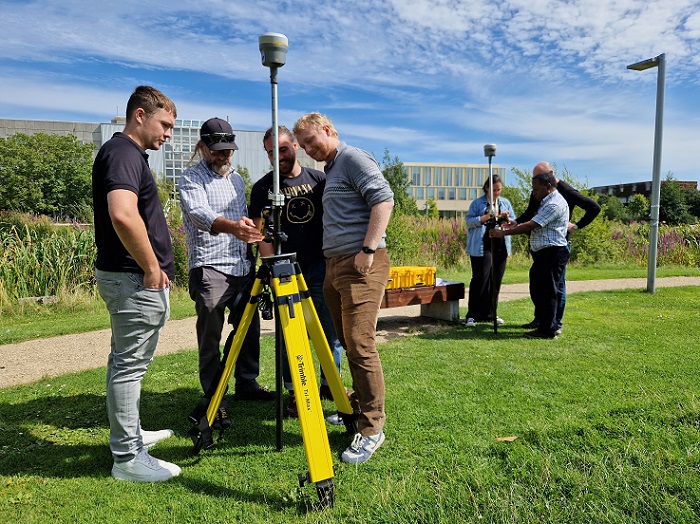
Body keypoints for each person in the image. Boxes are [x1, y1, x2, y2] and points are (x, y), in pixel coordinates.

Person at [293, 112, 394, 464]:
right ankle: (354, 408)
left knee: (360, 344)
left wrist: (368, 249)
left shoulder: (352, 158)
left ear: (328, 129)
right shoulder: (331, 169)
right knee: (345, 342)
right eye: (303, 145)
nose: (309, 149)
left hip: (359, 262)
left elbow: (383, 200)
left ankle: (372, 428)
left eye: (311, 140)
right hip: (334, 265)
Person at [92, 85, 180, 482]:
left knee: (125, 362)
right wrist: (149, 267)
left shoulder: (126, 154)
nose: (168, 134)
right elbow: (123, 214)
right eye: (165, 124)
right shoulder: (124, 153)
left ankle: (132, 436)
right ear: (140, 115)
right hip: (131, 278)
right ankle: (127, 458)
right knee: (129, 366)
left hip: (127, 277)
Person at [179, 117, 273, 432]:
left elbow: (244, 218)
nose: (224, 156)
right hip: (210, 268)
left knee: (249, 328)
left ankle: (247, 382)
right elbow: (199, 214)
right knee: (210, 335)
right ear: (202, 146)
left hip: (242, 266)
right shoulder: (191, 178)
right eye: (217, 151)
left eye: (228, 150)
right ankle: (213, 397)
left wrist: (252, 241)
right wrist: (233, 227)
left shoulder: (235, 178)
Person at [249, 126, 345, 420]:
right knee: (290, 335)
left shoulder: (319, 179)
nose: (277, 156)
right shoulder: (263, 188)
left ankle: (331, 384)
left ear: (294, 146)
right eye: (270, 152)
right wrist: (272, 270)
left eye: (283, 149)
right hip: (286, 271)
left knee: (330, 331)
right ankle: (294, 392)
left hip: (320, 267)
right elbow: (260, 232)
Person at [516, 162, 601, 334]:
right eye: (534, 179)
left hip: (558, 245)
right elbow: (530, 213)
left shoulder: (565, 192)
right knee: (540, 284)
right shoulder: (540, 190)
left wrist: (576, 226)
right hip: (542, 245)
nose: (535, 183)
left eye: (538, 178)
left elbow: (594, 207)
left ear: (550, 175)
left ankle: (555, 324)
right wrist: (514, 223)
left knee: (556, 287)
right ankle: (542, 320)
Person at [490, 169, 569, 339]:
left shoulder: (554, 204)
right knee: (538, 288)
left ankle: (549, 330)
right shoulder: (545, 201)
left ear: (548, 186)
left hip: (552, 253)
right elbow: (528, 220)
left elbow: (531, 225)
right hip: (543, 253)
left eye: (536, 189)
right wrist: (514, 224)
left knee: (548, 291)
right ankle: (544, 323)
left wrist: (502, 233)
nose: (534, 193)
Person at [464, 174, 516, 327]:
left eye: (499, 190)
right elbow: (468, 222)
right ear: (487, 188)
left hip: (500, 245)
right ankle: (472, 315)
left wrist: (507, 219)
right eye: (494, 190)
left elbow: (514, 222)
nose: (497, 193)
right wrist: (484, 218)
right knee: (480, 279)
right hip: (482, 245)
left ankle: (490, 313)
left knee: (496, 280)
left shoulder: (505, 203)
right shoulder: (477, 203)